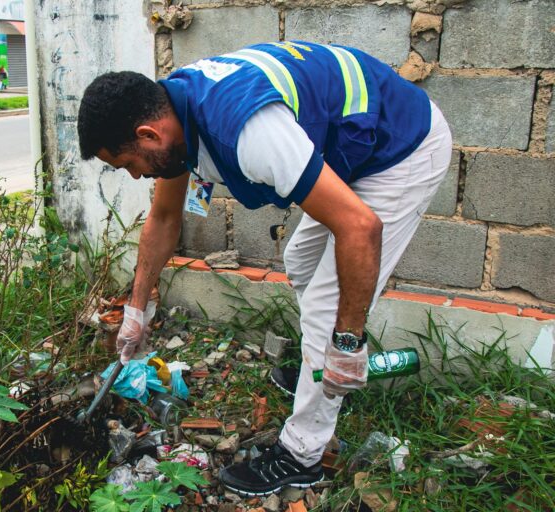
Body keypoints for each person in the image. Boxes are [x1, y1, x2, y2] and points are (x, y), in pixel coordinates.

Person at [77, 40, 452, 496]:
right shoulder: (175, 115)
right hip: (353, 146)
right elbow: (163, 218)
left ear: (148, 135)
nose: (136, 175)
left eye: (128, 164)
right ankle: (321, 364)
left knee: (326, 307)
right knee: (300, 260)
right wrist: (137, 310)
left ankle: (302, 453)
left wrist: (348, 342)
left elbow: (359, 227)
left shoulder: (245, 127)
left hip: (401, 148)